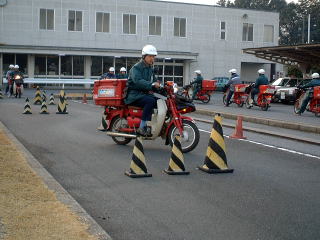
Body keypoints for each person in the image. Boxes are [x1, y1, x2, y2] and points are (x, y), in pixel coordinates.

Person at [125, 44, 160, 136]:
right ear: (144, 56)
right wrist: (151, 84)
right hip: (134, 95)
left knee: (160, 99)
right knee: (150, 101)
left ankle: (154, 124)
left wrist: (160, 85)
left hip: (143, 94)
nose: (152, 58)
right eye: (150, 56)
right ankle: (142, 127)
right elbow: (138, 81)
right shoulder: (136, 67)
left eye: (153, 56)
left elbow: (154, 80)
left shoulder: (149, 68)